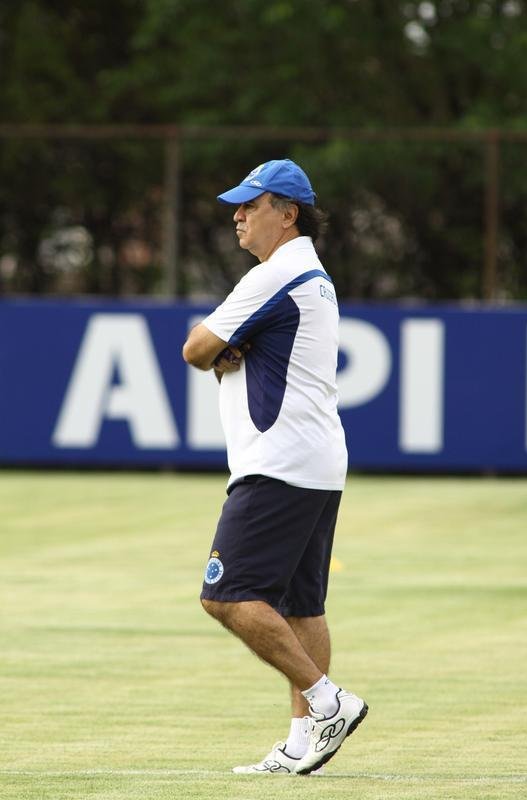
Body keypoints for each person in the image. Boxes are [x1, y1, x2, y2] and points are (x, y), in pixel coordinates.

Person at [182, 158, 368, 775]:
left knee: (226, 595)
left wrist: (220, 350)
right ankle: (300, 741)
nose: (237, 215)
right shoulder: (311, 273)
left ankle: (328, 702)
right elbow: (229, 350)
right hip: (315, 461)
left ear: (287, 215)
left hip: (277, 462)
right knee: (301, 607)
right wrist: (229, 350)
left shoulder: (276, 273)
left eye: (251, 205)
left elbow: (195, 347)